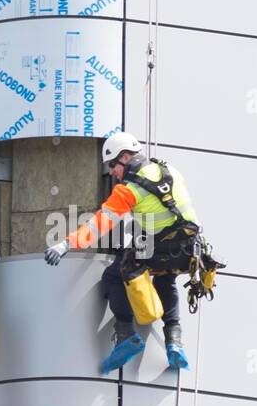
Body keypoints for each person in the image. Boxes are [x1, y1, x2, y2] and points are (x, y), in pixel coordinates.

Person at [44, 131, 201, 373]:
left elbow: (99, 224)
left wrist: (65, 244)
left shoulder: (128, 189)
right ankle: (174, 342)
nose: (112, 173)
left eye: (113, 166)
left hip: (159, 246)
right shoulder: (168, 168)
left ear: (126, 157)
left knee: (114, 277)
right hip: (189, 247)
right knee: (165, 281)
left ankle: (126, 335)